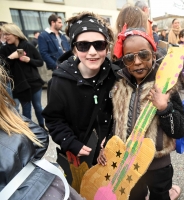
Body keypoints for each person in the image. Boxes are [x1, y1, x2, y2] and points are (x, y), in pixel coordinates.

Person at [98, 27, 184, 200]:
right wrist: (106, 147)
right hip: (127, 163)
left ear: (154, 55)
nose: (137, 62)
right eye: (130, 58)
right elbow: (113, 123)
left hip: (158, 164)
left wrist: (164, 108)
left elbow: (180, 130)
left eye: (144, 55)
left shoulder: (167, 87)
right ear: (124, 61)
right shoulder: (118, 86)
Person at [42, 11, 118, 185]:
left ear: (107, 47)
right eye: (84, 45)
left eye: (99, 45)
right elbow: (53, 119)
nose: (92, 52)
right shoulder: (60, 81)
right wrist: (70, 142)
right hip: (78, 156)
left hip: (109, 154)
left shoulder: (115, 75)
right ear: (74, 48)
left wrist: (113, 135)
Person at [0, 65, 84, 200]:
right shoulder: (59, 79)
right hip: (51, 184)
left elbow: (38, 61)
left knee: (37, 108)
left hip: (48, 185)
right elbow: (43, 133)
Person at [0, 23, 45, 128]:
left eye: (7, 34)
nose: (5, 37)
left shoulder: (28, 45)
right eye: (4, 34)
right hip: (19, 85)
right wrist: (11, 57)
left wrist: (29, 60)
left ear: (15, 34)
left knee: (38, 107)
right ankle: (29, 130)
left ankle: (42, 126)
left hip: (34, 82)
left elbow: (40, 62)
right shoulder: (4, 50)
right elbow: (2, 68)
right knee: (26, 109)